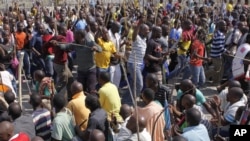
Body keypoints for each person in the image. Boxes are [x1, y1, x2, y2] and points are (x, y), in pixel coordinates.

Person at [55, 29, 102, 93]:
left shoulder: (90, 42)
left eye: (75, 35)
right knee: (81, 90)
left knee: (92, 90)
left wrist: (96, 48)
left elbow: (100, 49)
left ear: (80, 35)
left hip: (90, 70)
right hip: (81, 71)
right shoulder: (75, 43)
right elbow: (66, 46)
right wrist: (58, 44)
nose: (73, 36)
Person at [127, 17, 150, 97]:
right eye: (146, 30)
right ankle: (132, 100)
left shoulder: (144, 40)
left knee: (133, 84)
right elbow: (133, 35)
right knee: (140, 84)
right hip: (133, 64)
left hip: (140, 64)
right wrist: (139, 24)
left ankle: (127, 98)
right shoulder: (137, 38)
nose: (148, 31)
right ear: (141, 31)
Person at [206, 20, 227, 85]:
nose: (225, 27)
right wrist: (226, 51)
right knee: (217, 70)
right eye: (224, 25)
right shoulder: (220, 35)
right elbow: (219, 46)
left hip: (216, 54)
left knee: (218, 69)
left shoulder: (218, 33)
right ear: (220, 26)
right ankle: (203, 75)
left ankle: (215, 82)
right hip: (217, 55)